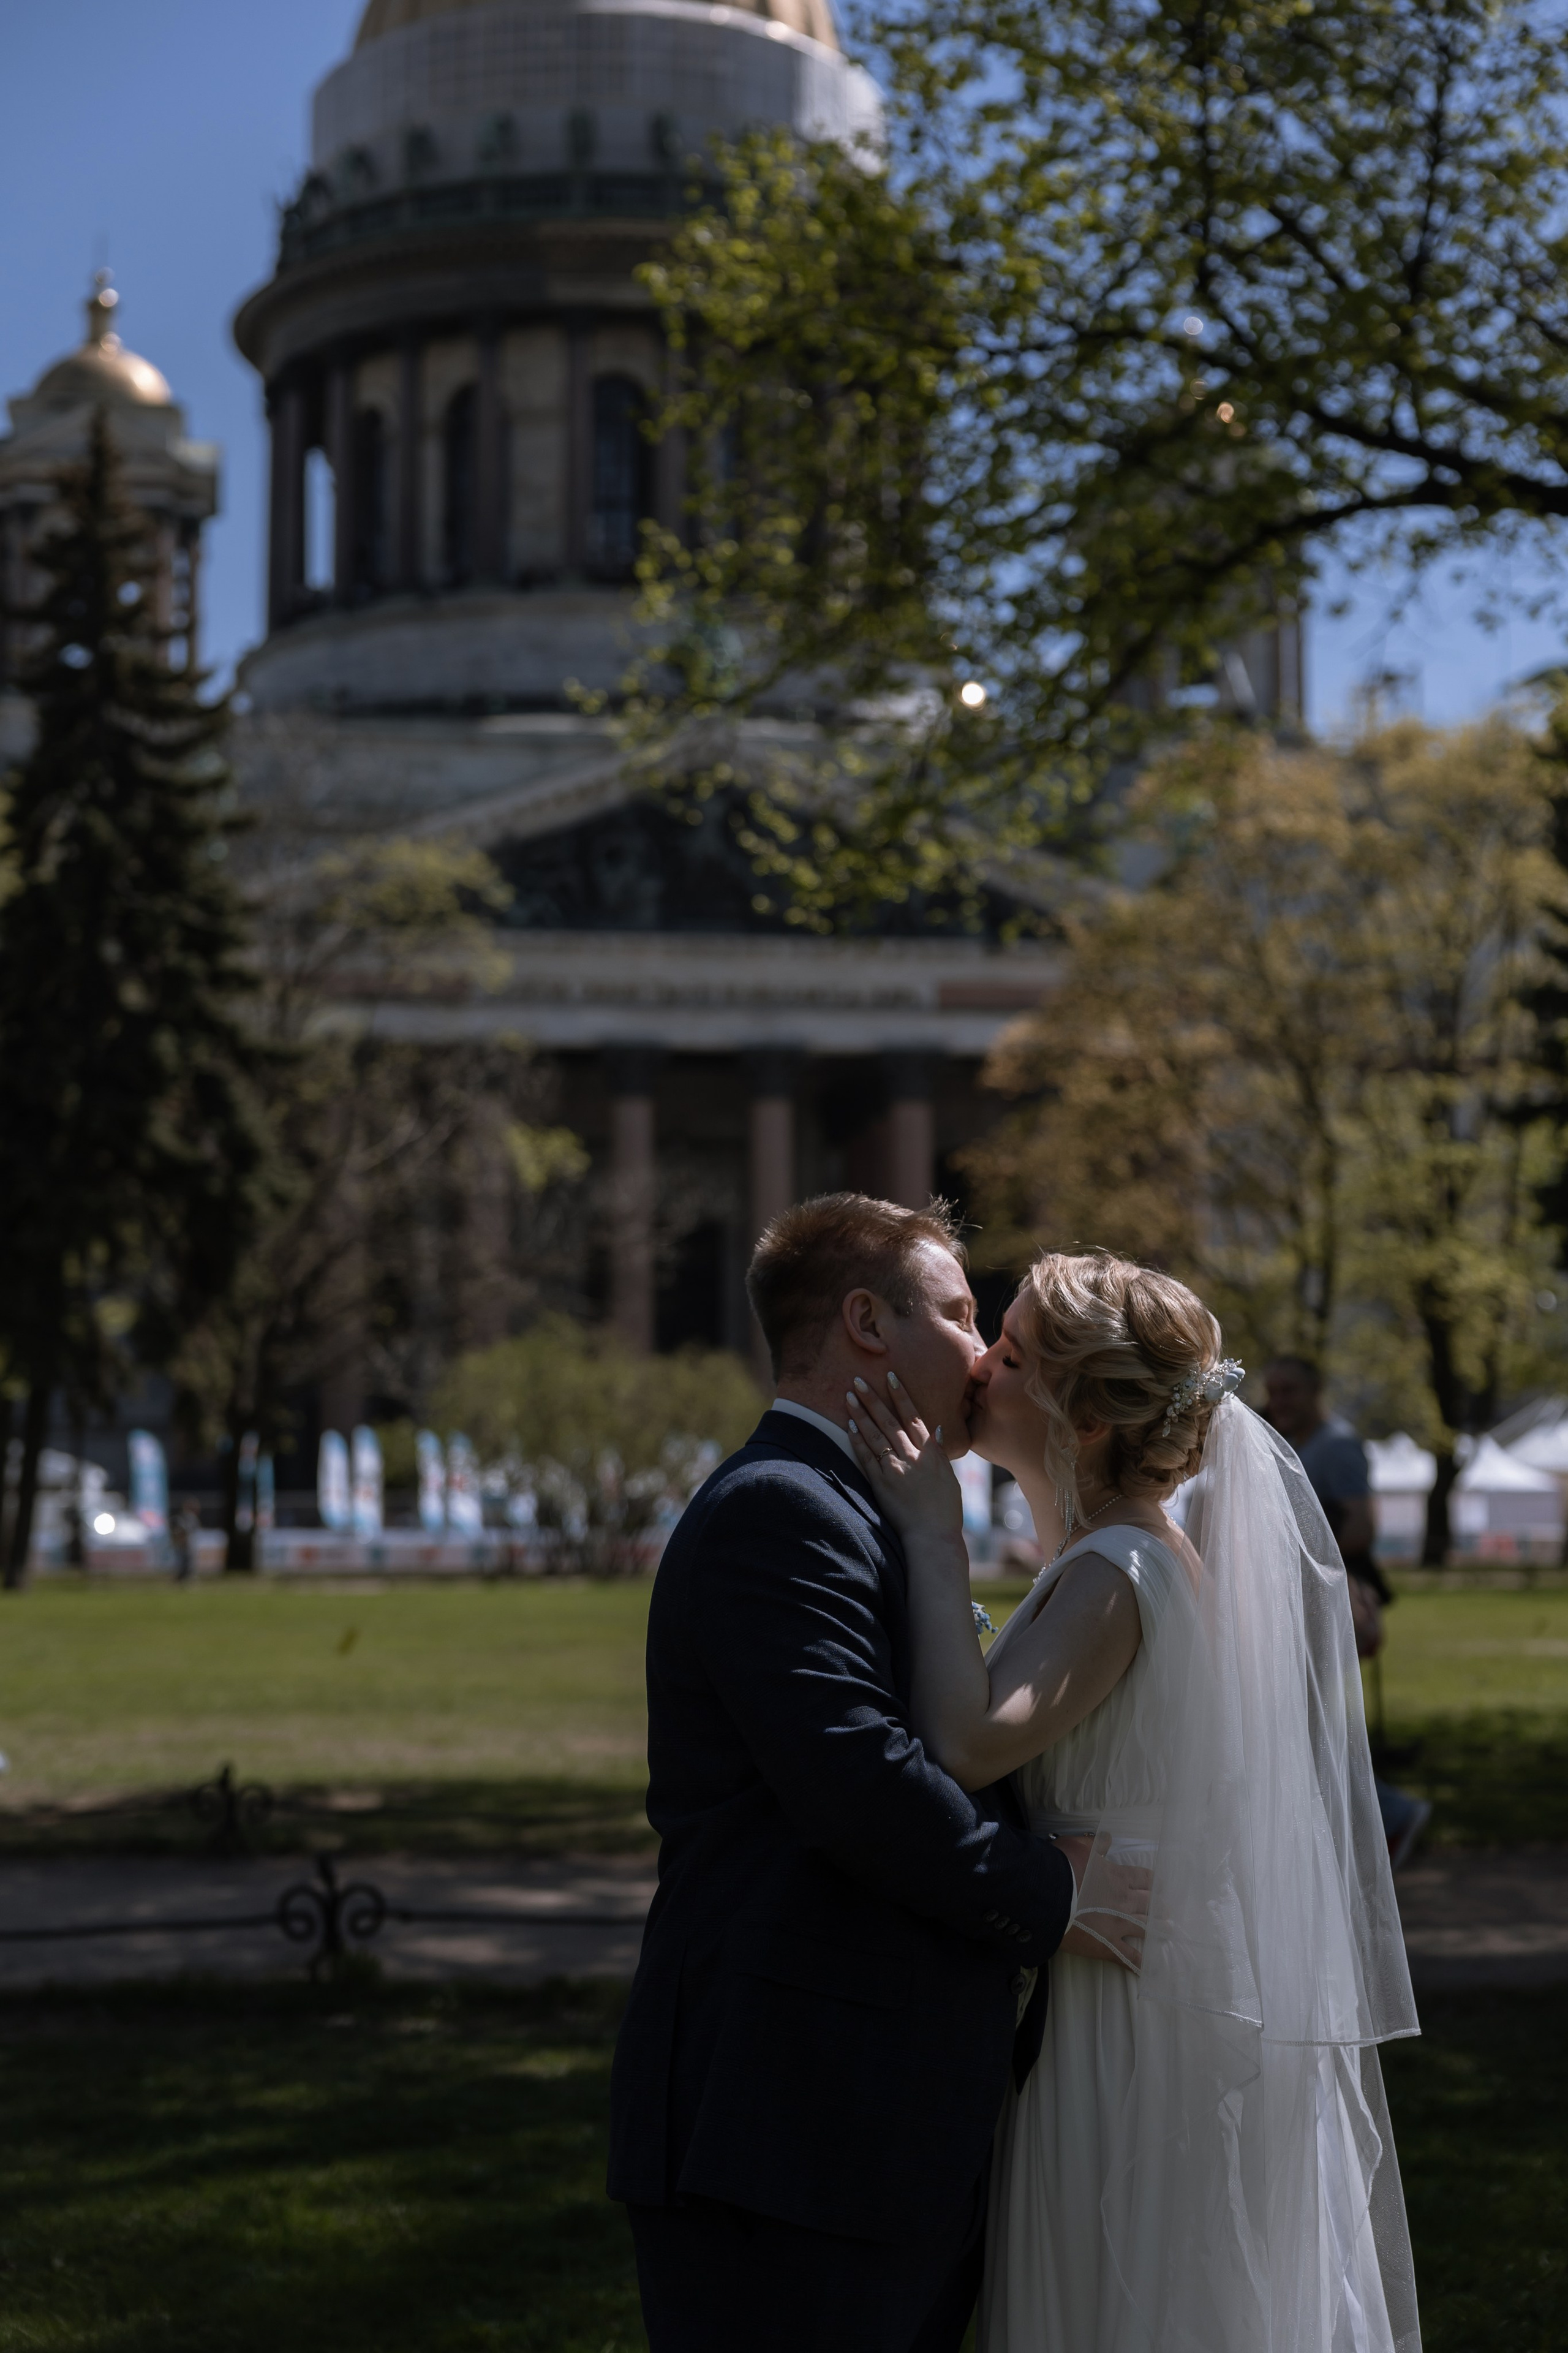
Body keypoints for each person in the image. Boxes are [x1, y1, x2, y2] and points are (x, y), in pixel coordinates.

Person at [848, 1251, 1422, 2353]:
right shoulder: (1122, 1559)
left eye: (1009, 1351)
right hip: (1129, 1985)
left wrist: (931, 1526)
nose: (980, 1362)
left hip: (1130, 2020)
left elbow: (966, 1744)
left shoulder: (1120, 1567)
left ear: (1087, 1415)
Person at [608, 1195, 1148, 2353]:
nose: (984, 1349)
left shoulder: (864, 1507)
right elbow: (862, 1781)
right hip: (786, 2127)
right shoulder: (781, 1512)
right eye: (958, 1314)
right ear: (866, 1321)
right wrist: (1056, 1894)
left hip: (865, 2129)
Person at [1264, 1356, 1433, 1870]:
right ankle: (1375, 1818)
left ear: (1316, 1390)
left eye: (1290, 1389)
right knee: (1296, 1718)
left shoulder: (1336, 1446)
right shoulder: (1292, 1441)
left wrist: (1284, 1549)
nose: (1279, 1400)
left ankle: (1389, 1813)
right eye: (1273, 1390)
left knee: (1297, 1719)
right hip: (1298, 1600)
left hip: (1325, 1600)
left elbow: (1361, 1529)